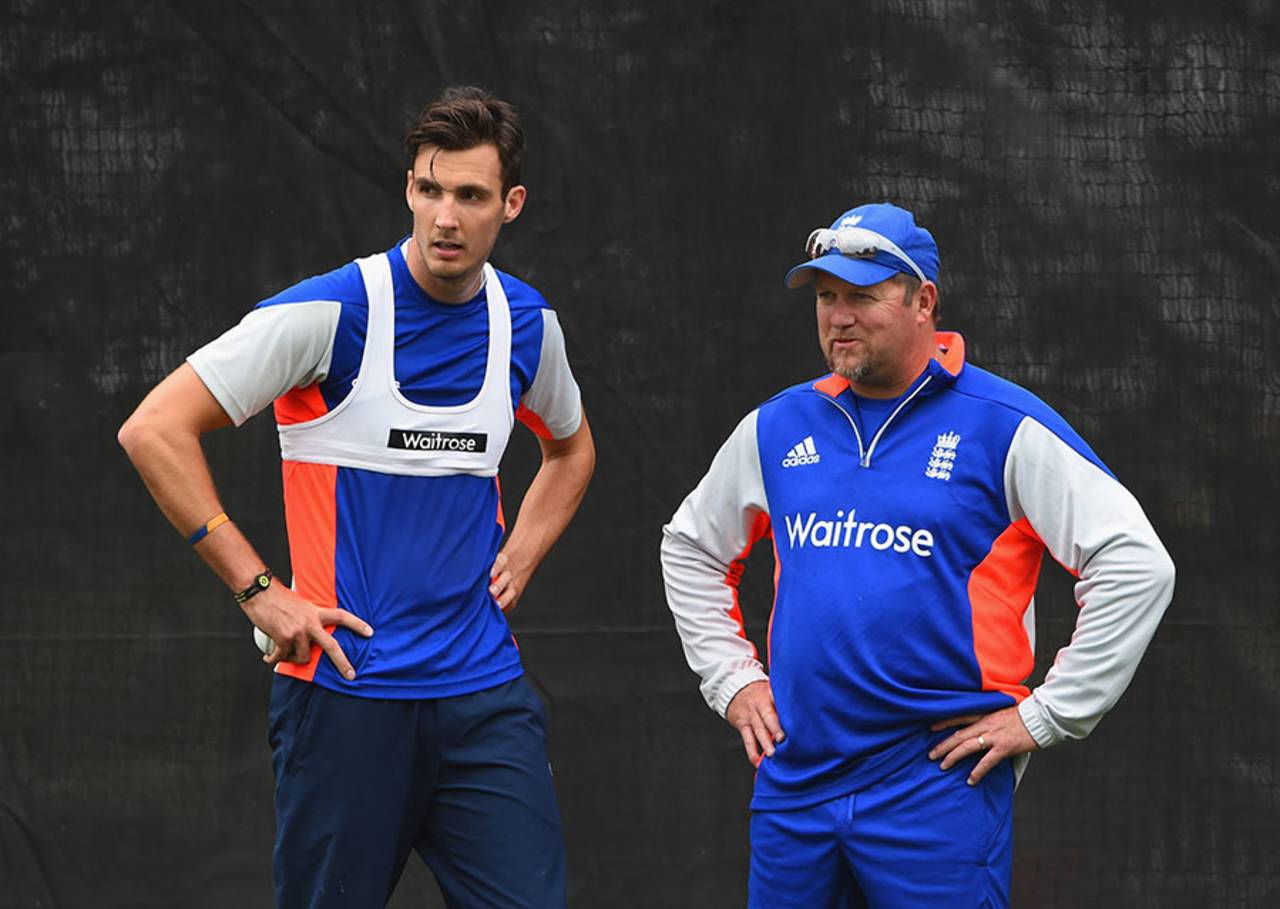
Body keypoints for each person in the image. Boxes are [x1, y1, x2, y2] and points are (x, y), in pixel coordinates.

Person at [118, 86, 594, 908]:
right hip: (345, 696)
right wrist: (261, 593)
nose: (445, 216)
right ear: (409, 187)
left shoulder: (526, 325)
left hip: (482, 698)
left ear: (510, 205)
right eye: (430, 189)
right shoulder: (332, 312)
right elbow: (153, 429)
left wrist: (525, 548)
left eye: (471, 195)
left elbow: (572, 448)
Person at [659, 202, 1174, 907]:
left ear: (923, 301)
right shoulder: (779, 424)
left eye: (861, 297)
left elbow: (1137, 562)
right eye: (825, 296)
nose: (837, 316)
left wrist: (1048, 714)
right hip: (796, 778)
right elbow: (690, 547)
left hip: (935, 783)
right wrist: (732, 679)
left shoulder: (1001, 425)